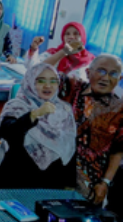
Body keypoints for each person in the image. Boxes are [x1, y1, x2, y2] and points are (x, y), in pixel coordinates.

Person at [48, 53, 123, 204]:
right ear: (88, 73)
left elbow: (118, 150)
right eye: (101, 71)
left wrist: (105, 183)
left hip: (88, 183)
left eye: (113, 74)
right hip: (51, 170)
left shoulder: (119, 110)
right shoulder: (71, 87)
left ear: (119, 79)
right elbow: (38, 73)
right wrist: (64, 51)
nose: (106, 78)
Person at [0, 63, 76, 189]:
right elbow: (8, 133)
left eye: (53, 81)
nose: (48, 86)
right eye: (41, 81)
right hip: (17, 176)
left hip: (52, 181)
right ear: (30, 82)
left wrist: (69, 184)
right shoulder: (17, 105)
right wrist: (34, 115)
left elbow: (69, 147)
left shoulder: (64, 110)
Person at [25, 22, 95, 75]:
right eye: (67, 34)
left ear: (82, 37)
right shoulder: (52, 53)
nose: (71, 37)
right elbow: (33, 69)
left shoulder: (89, 60)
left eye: (76, 34)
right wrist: (33, 49)